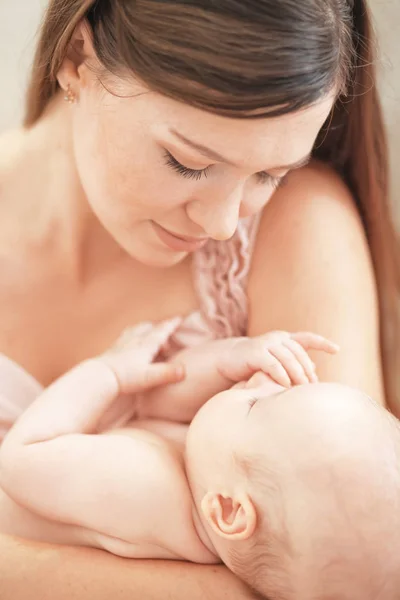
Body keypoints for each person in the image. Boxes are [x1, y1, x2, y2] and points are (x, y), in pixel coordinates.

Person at [0, 0, 399, 597]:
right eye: (187, 163)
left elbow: (334, 573)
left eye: (271, 175)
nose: (222, 225)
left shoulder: (299, 227)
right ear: (78, 58)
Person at [2, 323, 400, 600]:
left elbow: (22, 457)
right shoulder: (218, 481)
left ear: (228, 510)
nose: (266, 379)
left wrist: (107, 373)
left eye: (259, 403)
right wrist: (230, 356)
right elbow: (155, 402)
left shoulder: (144, 488)